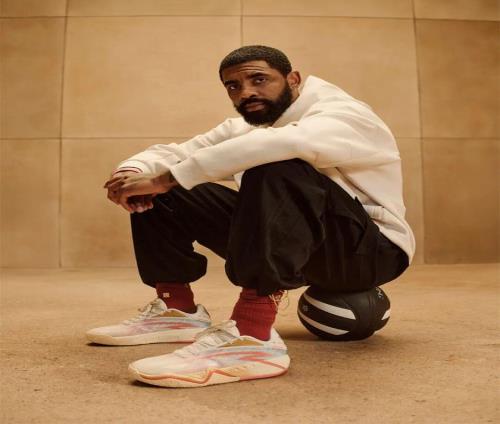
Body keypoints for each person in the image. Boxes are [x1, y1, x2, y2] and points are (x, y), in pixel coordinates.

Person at [86, 45, 415, 388]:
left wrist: (167, 176)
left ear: (293, 79)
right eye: (233, 86)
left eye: (259, 79)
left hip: (369, 253)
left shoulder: (344, 113)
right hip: (301, 247)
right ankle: (177, 310)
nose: (246, 93)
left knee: (273, 164)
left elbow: (287, 143)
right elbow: (176, 153)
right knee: (172, 190)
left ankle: (252, 337)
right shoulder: (244, 127)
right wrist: (132, 174)